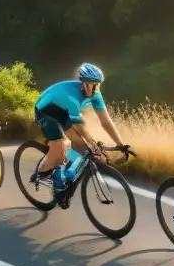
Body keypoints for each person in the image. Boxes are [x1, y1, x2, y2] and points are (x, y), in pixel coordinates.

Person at [32, 63, 130, 203]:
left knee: (81, 146)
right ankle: (42, 173)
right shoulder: (72, 97)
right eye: (92, 84)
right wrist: (94, 145)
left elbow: (105, 121)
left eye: (98, 84)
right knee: (60, 144)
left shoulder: (96, 94)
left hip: (63, 111)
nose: (95, 88)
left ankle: (66, 174)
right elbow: (81, 127)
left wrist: (121, 144)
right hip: (46, 110)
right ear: (83, 84)